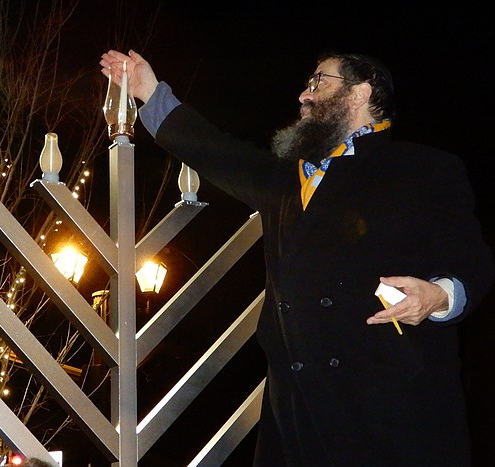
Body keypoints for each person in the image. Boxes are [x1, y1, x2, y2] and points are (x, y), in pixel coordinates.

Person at [100, 49, 494, 466]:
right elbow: (215, 151)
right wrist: (150, 91)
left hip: (388, 410)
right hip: (295, 411)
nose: (304, 96)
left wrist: (440, 295)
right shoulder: (287, 179)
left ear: (360, 93)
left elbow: (469, 257)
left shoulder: (422, 169)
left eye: (318, 82)